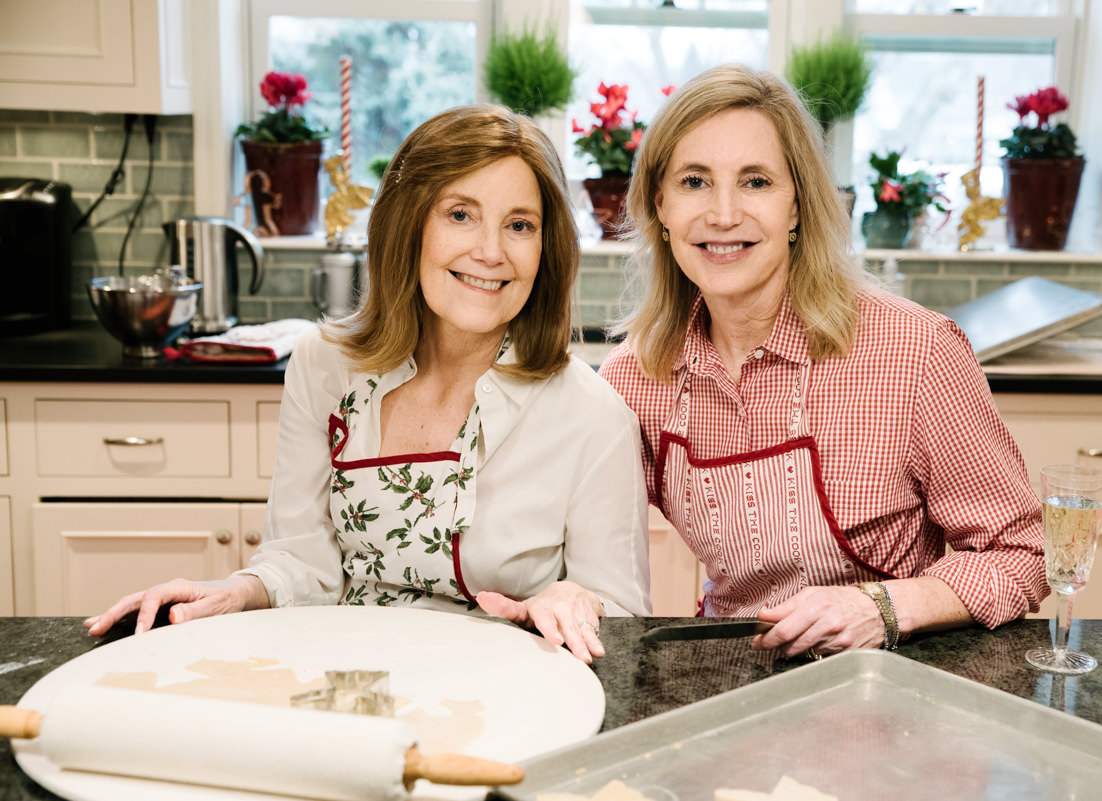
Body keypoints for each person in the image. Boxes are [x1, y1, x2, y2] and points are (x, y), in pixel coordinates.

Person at [86, 105, 652, 663]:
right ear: (409, 225)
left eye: (520, 225)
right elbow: (302, 561)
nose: (490, 251)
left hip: (501, 699)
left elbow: (620, 613)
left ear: (546, 248)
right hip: (342, 682)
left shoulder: (593, 417)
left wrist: (577, 598)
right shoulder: (324, 367)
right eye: (460, 214)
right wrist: (237, 591)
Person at [599, 65, 1049, 660]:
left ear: (797, 207)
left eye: (755, 181)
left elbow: (1020, 555)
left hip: (896, 677)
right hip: (737, 675)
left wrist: (882, 608)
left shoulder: (913, 351)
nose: (724, 213)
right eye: (694, 181)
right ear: (660, 206)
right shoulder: (633, 381)